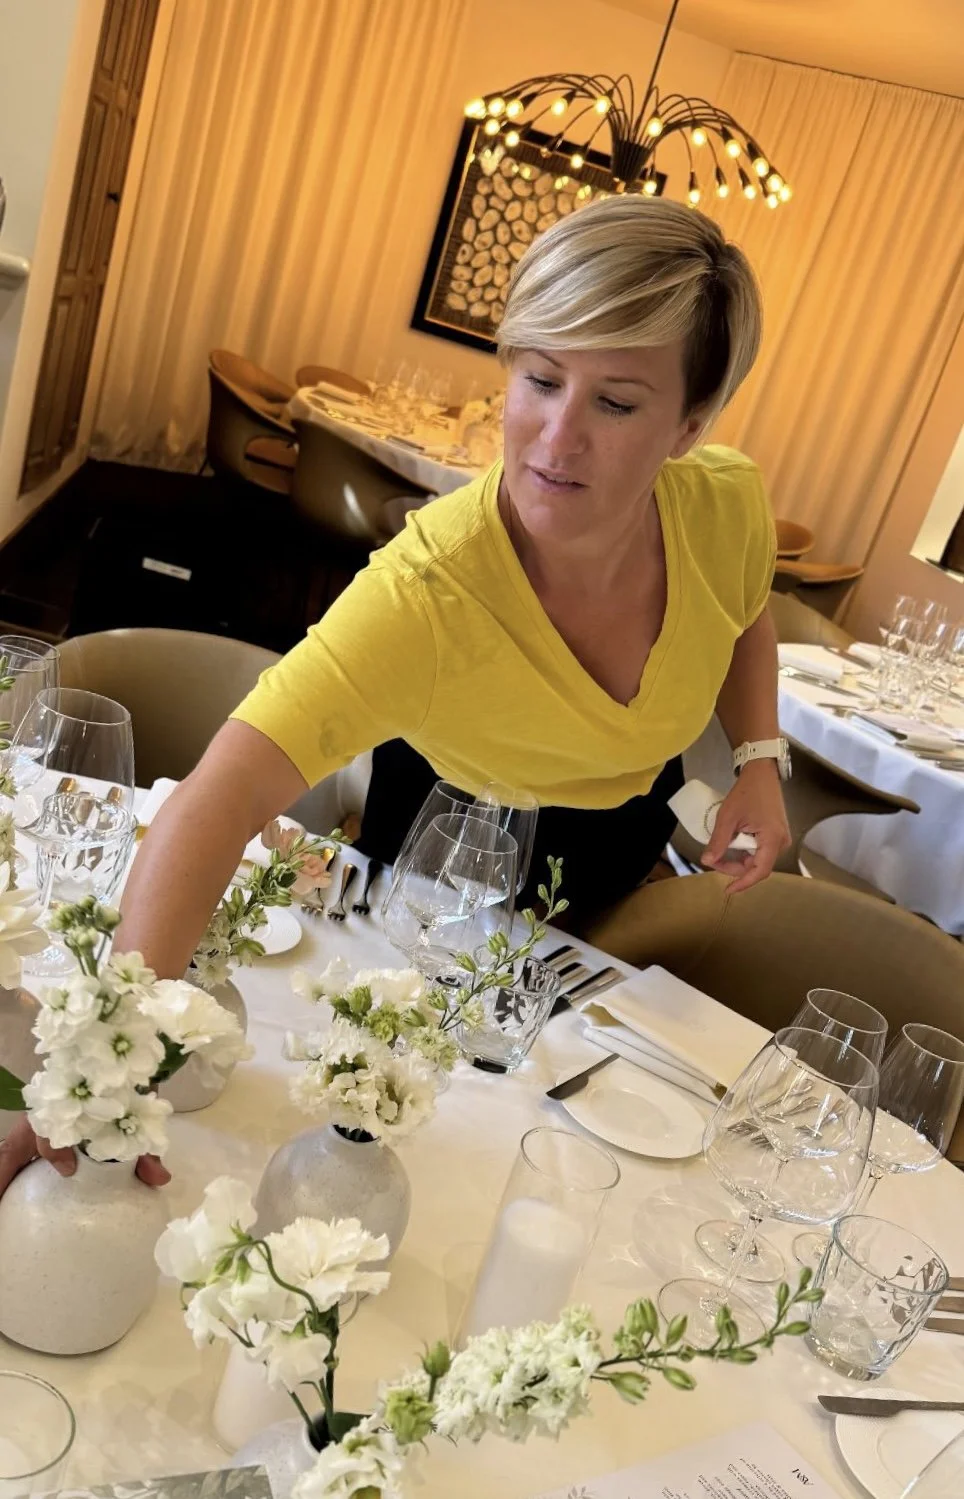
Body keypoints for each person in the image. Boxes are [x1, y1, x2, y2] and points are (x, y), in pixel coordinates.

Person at [0, 195, 789, 1193]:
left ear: (690, 423)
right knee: (409, 1124)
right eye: (539, 378)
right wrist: (93, 1066)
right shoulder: (429, 593)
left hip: (622, 839)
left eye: (616, 402)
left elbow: (743, 607)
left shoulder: (722, 502)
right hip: (451, 848)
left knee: (552, 1124)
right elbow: (218, 797)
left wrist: (759, 759)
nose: (554, 435)